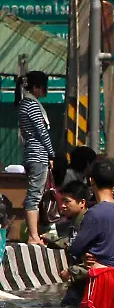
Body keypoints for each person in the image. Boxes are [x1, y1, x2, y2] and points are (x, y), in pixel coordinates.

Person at [63, 160, 114, 308]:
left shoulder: (94, 213)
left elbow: (75, 248)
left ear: (91, 181)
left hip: (101, 275)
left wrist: (83, 255)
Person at [18, 70, 54, 245]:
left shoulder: (25, 104)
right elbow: (42, 132)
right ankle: (33, 236)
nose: (45, 90)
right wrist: (51, 153)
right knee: (35, 194)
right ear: (36, 87)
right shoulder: (32, 105)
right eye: (44, 87)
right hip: (38, 153)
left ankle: (34, 234)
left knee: (35, 193)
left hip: (31, 153)